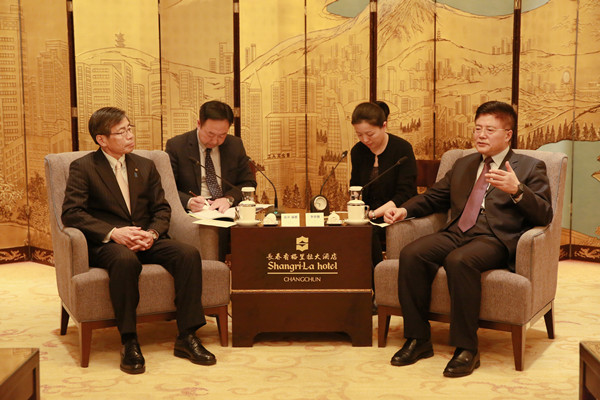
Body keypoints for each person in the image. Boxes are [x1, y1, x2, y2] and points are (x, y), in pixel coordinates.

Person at [383, 100, 553, 377]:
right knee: (412, 254)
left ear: (508, 134)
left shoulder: (530, 167)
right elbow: (434, 197)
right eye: (477, 129)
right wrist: (404, 210)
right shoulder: (464, 164)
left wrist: (518, 191)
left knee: (459, 261)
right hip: (457, 231)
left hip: (495, 238)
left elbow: (545, 214)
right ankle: (418, 338)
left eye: (489, 130)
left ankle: (467, 349)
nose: (481, 135)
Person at [62, 107, 216, 374]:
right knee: (125, 260)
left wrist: (152, 234)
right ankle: (129, 340)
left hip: (146, 238)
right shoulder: (84, 167)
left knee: (188, 254)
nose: (130, 136)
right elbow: (72, 213)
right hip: (109, 243)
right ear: (101, 139)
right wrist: (114, 233)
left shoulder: (145, 165)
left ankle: (187, 335)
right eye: (121, 132)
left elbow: (162, 209)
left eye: (129, 129)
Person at [166, 100, 256, 260]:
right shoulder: (177, 146)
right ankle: (213, 271)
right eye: (210, 134)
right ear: (199, 124)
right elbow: (167, 188)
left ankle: (237, 274)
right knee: (210, 231)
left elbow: (248, 182)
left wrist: (228, 199)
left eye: (222, 135)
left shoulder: (234, 145)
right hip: (194, 212)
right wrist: (189, 202)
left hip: (226, 209)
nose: (215, 141)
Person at [350, 101, 417, 269]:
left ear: (384, 126)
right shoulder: (358, 151)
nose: (365, 140)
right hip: (368, 217)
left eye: (370, 134)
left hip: (396, 214)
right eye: (359, 135)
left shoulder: (402, 149)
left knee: (369, 232)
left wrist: (373, 215)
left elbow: (405, 193)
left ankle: (378, 279)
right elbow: (356, 187)